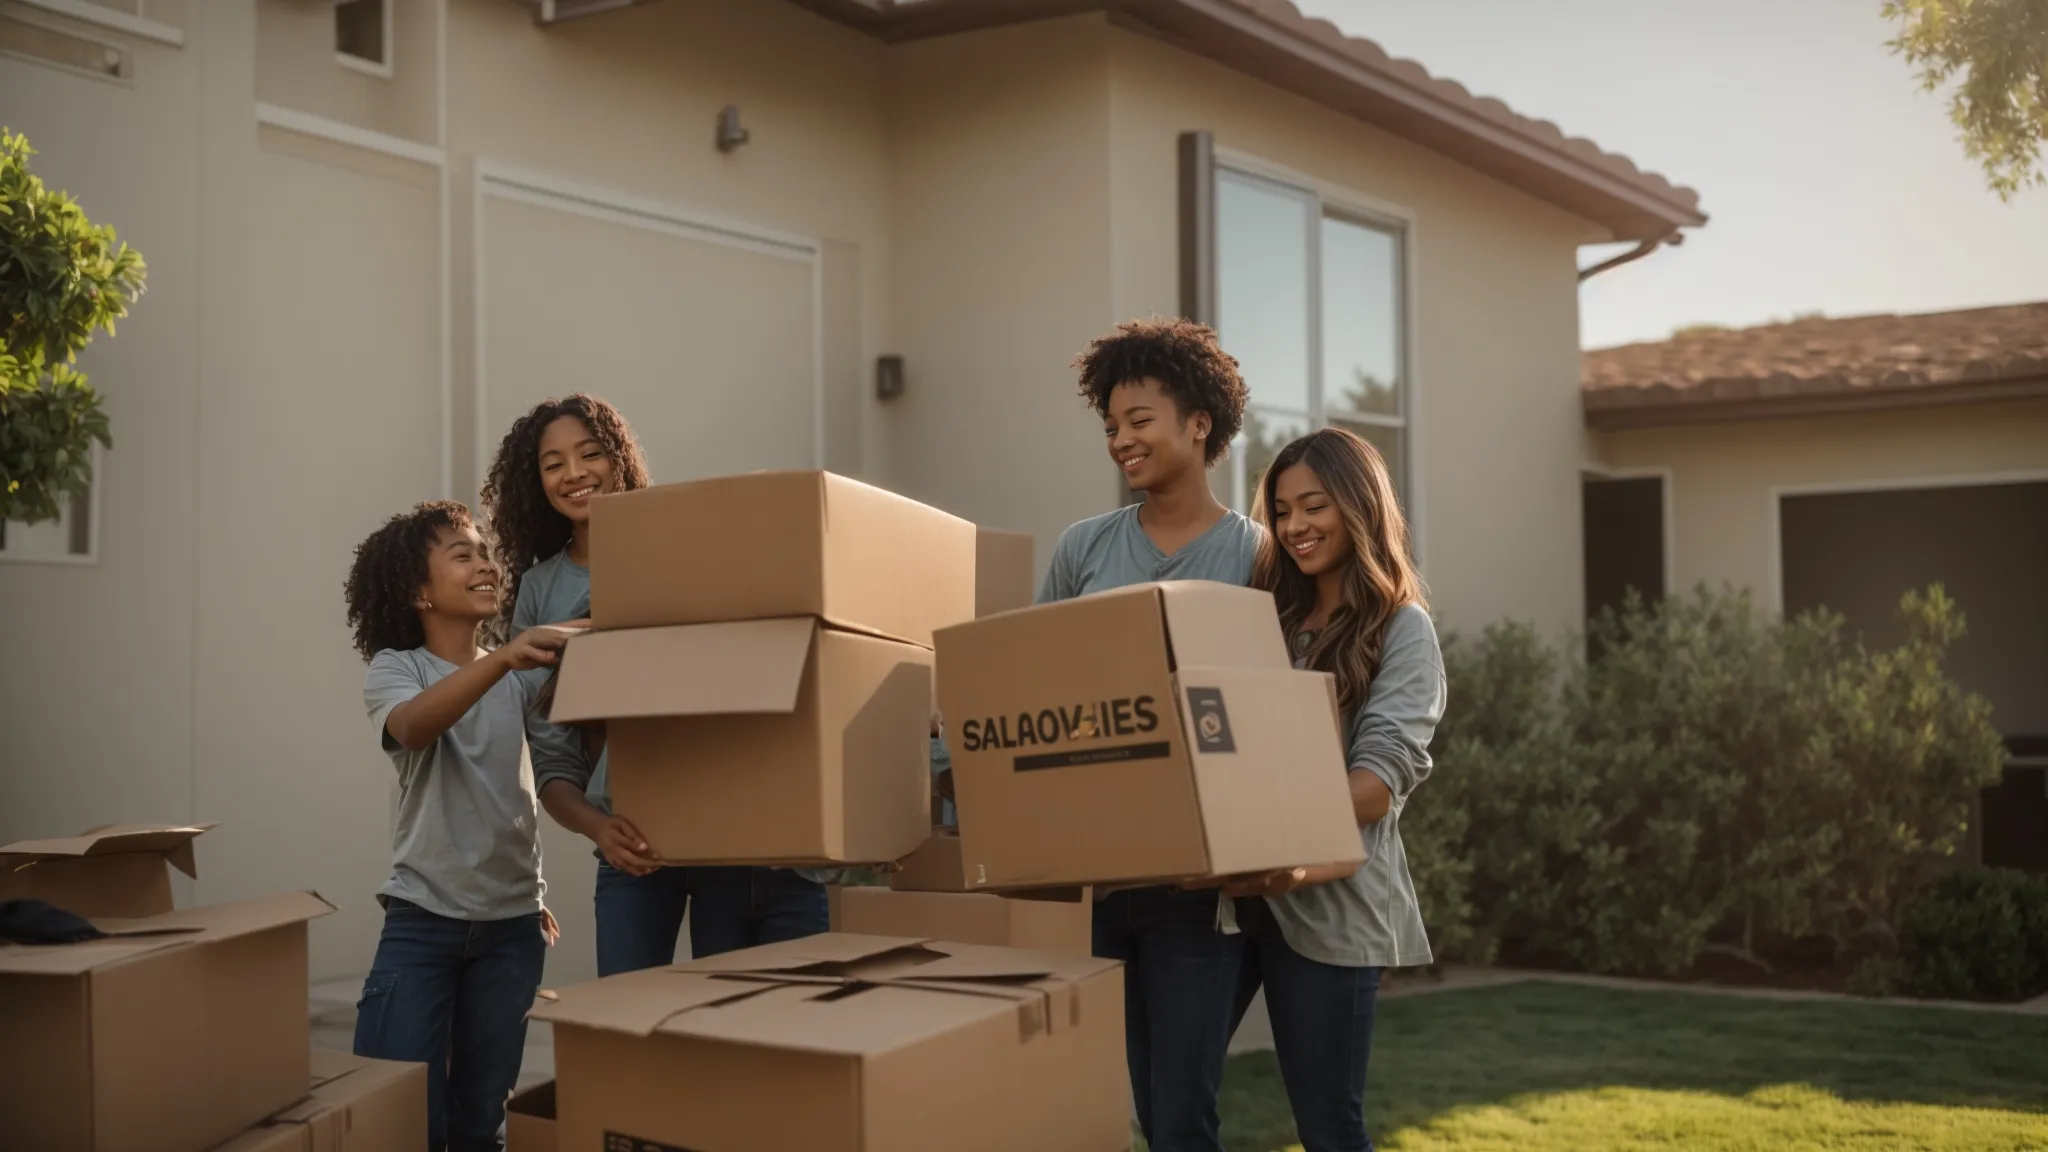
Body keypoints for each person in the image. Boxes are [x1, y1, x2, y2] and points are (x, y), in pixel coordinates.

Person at [483, 395, 831, 969]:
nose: (573, 474)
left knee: (720, 1025)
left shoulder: (688, 551)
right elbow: (550, 756)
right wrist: (600, 828)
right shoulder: (541, 590)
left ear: (618, 458)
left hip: (726, 842)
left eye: (589, 453)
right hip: (629, 849)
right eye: (553, 463)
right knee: (624, 1016)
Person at [1038, 317, 1262, 1152]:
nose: (1121, 442)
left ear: (1198, 423)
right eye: (1110, 428)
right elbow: (1039, 693)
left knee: (1181, 1115)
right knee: (1132, 1104)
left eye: (1139, 422)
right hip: (1100, 879)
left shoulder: (1257, 557)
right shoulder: (1083, 551)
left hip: (1198, 890)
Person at [1234, 427, 1445, 1152]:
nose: (1295, 527)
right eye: (1283, 511)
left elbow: (1377, 785)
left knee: (1326, 1125)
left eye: (1314, 506)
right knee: (1173, 1091)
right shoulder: (1269, 619)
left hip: (1334, 909)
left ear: (1357, 507)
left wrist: (1265, 817)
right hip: (1232, 900)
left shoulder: (1401, 630)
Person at [343, 501, 572, 1152]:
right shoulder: (399, 669)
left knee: (481, 1122)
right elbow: (413, 726)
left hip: (511, 932)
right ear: (418, 590)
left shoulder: (518, 674)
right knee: (406, 1115)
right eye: (462, 553)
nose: (485, 564)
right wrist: (503, 661)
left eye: (486, 553)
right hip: (423, 924)